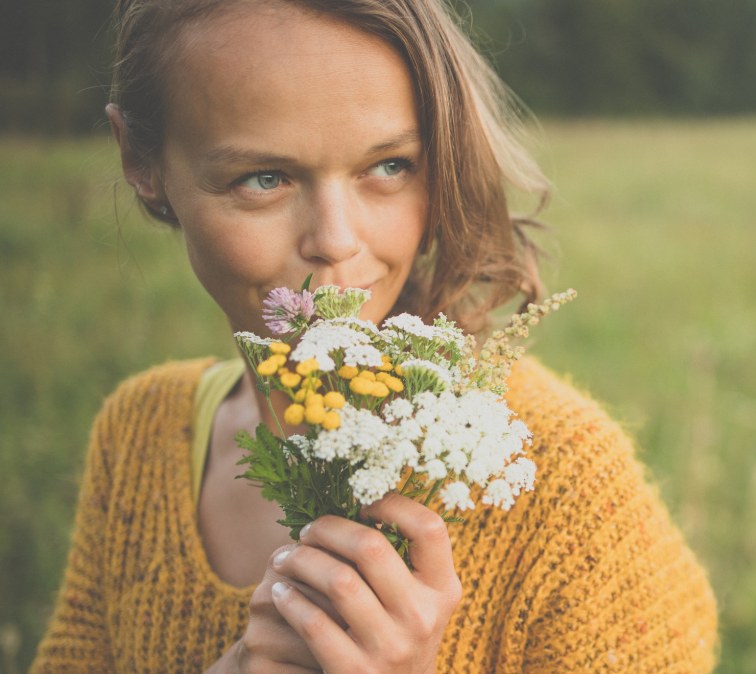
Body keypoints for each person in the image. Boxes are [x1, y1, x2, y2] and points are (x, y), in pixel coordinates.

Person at [29, 0, 718, 672]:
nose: (335, 242)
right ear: (141, 162)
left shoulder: (566, 488)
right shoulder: (140, 439)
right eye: (264, 178)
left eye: (389, 167)